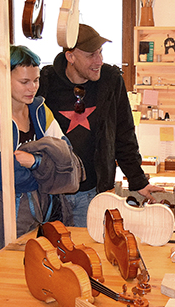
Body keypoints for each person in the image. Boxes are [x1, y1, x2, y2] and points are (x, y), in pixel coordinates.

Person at [0, 45, 82, 267]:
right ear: (3, 78)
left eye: (36, 80)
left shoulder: (40, 111)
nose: (33, 88)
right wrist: (48, 173)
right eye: (24, 82)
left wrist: (34, 162)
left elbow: (68, 161)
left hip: (38, 219)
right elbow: (3, 176)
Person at [38, 24, 162, 226]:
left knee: (88, 254)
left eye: (101, 53)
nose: (99, 61)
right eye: (91, 55)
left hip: (92, 193)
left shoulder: (110, 82)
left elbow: (124, 134)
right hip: (50, 196)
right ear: (70, 57)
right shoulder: (45, 82)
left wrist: (138, 180)